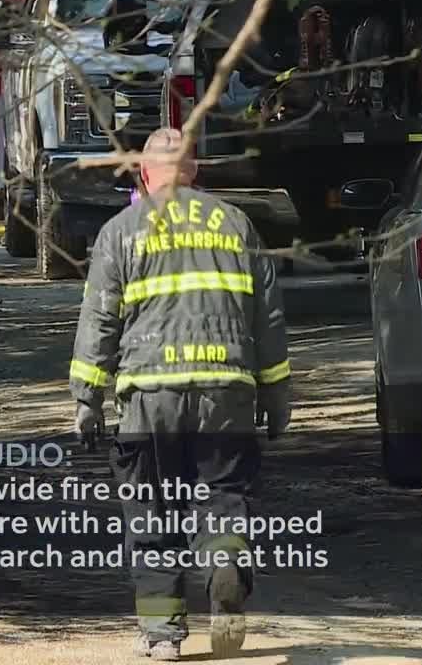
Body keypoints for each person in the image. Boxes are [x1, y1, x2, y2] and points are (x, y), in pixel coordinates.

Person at [68, 128, 292, 662]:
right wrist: (278, 395)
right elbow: (269, 319)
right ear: (195, 172)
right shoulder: (237, 225)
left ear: (145, 174)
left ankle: (163, 636)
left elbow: (100, 320)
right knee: (222, 495)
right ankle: (225, 568)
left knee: (149, 511)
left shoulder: (121, 230)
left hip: (149, 396)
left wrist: (87, 397)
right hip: (227, 393)